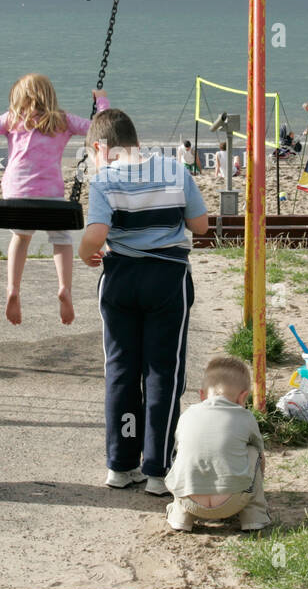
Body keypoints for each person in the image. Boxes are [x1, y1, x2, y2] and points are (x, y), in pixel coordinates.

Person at [78, 108, 210, 496]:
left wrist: (87, 251)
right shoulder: (174, 170)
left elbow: (97, 231)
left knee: (120, 370)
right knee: (163, 372)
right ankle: (157, 468)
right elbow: (199, 225)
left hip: (120, 279)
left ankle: (120, 465)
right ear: (135, 141)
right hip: (167, 279)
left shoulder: (103, 179)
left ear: (102, 147)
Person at [0, 74, 109, 325]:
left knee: (20, 237)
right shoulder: (62, 120)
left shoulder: (12, 119)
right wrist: (101, 101)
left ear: (19, 97)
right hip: (51, 196)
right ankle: (64, 288)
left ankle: (13, 289)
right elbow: (101, 129)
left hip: (16, 194)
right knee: (62, 240)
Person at [164, 356, 271, 532]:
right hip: (232, 501)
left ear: (202, 395)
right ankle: (254, 516)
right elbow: (260, 455)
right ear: (243, 397)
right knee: (253, 452)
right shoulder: (245, 417)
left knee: (185, 455)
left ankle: (180, 517)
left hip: (189, 500)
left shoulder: (188, 414)